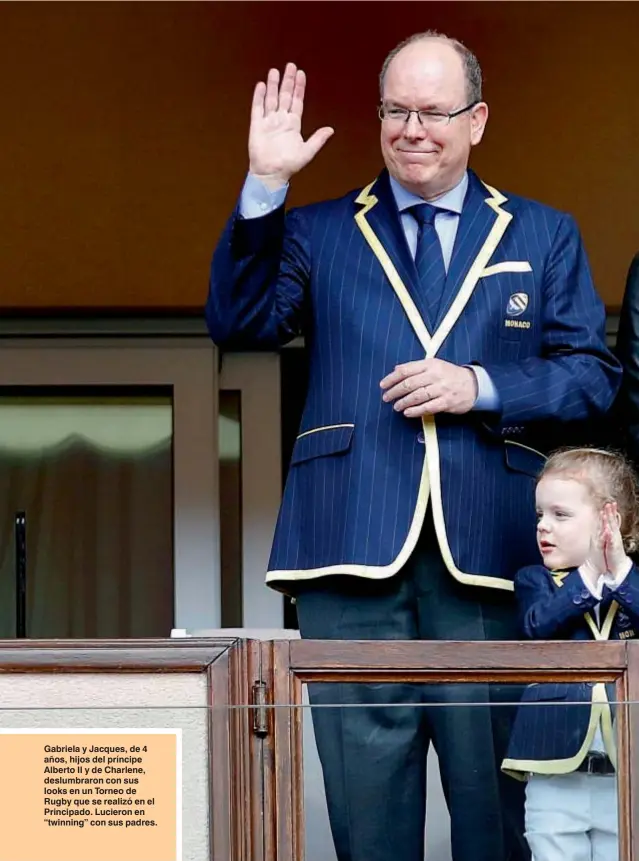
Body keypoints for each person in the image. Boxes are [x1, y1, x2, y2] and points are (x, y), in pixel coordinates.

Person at [206, 30, 621, 861]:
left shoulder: (541, 234)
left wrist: (482, 385)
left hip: (495, 559)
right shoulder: (317, 231)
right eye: (395, 110)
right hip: (349, 553)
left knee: (499, 817)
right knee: (365, 821)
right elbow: (239, 321)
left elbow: (591, 376)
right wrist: (265, 186)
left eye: (433, 111)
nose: (412, 128)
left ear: (477, 120)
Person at [502, 447, 639, 861]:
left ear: (607, 521)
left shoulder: (632, 584)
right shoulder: (535, 581)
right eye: (540, 515)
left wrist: (618, 573)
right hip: (554, 769)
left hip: (626, 772)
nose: (543, 526)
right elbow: (535, 626)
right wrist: (589, 578)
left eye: (560, 515)